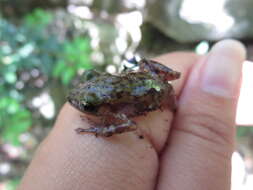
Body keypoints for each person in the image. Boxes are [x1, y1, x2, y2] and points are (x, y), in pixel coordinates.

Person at [17, 40, 246, 190]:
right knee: (146, 65)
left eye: (89, 106)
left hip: (156, 94)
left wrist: (99, 129)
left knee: (151, 74)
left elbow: (127, 126)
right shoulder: (109, 96)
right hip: (146, 80)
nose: (78, 103)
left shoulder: (117, 113)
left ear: (106, 106)